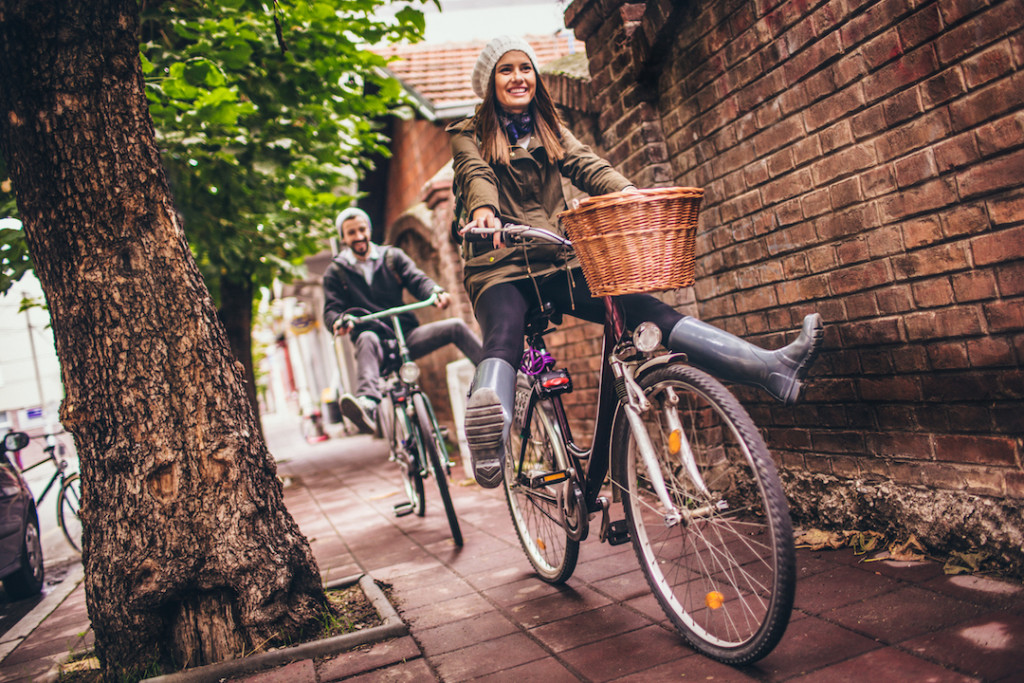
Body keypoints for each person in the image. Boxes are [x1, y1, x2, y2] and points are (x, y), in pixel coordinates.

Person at [449, 35, 825, 488]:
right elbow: (477, 177)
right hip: (499, 265)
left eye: (524, 68)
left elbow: (589, 166)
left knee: (646, 310)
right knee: (505, 334)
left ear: (536, 76)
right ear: (490, 83)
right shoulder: (468, 136)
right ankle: (491, 441)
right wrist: (483, 214)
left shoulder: (549, 129)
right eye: (505, 70)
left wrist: (629, 193)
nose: (517, 78)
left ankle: (770, 369)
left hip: (555, 259)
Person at [323, 207, 484, 434]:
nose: (358, 236)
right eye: (351, 233)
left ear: (369, 230)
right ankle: (368, 403)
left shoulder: (392, 257)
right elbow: (331, 309)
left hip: (405, 337)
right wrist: (339, 321)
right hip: (373, 345)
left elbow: (416, 279)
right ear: (343, 237)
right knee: (367, 337)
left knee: (456, 327)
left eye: (361, 229)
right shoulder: (336, 272)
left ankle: (491, 373)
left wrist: (434, 292)